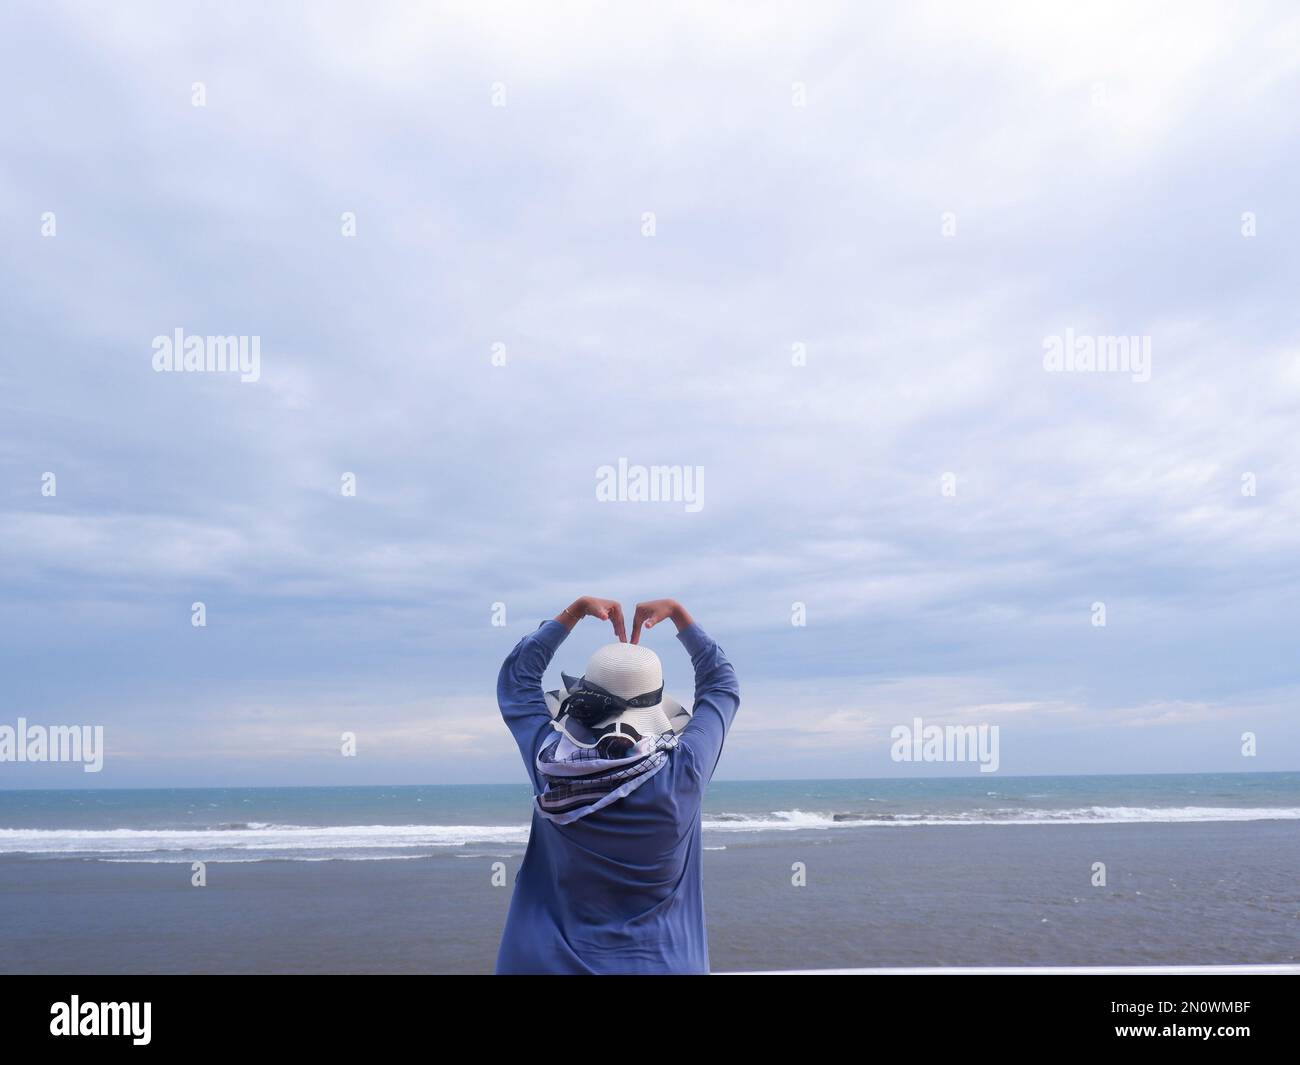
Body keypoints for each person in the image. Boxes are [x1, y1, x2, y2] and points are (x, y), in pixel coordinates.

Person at [494, 596, 740, 974]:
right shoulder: (684, 772)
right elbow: (721, 687)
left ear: (583, 702)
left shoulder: (551, 766)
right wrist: (679, 615)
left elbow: (516, 682)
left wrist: (572, 613)